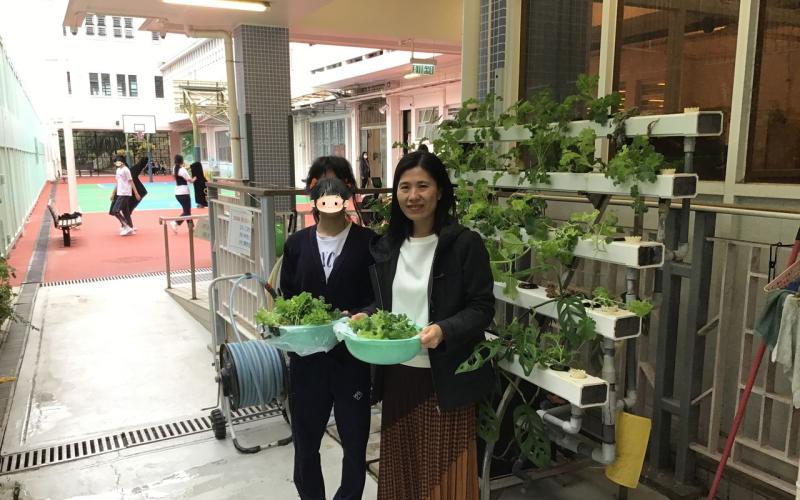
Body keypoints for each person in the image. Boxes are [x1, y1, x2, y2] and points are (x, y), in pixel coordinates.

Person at [358, 151, 495, 500]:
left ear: (440, 191)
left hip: (444, 377)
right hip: (398, 374)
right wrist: (367, 315)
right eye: (405, 187)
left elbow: (482, 308)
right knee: (401, 469)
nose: (413, 196)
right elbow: (387, 305)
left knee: (442, 474)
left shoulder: (464, 244)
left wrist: (444, 330)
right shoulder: (390, 246)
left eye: (423, 186)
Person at [279, 156, 375, 500]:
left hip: (352, 360)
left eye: (335, 185)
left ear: (349, 191)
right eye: (320, 185)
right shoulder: (296, 244)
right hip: (307, 361)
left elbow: (380, 298)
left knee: (355, 444)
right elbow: (287, 299)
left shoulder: (369, 242)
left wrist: (363, 314)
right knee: (305, 445)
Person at [109, 155, 140, 236]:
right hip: (120, 193)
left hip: (125, 193)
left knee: (115, 211)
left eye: (117, 162)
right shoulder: (118, 170)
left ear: (122, 162)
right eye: (115, 162)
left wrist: (136, 193)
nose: (116, 163)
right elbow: (117, 182)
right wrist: (113, 193)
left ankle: (126, 226)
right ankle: (130, 226)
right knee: (125, 211)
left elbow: (131, 181)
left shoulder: (126, 170)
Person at [169, 155, 195, 233]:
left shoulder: (175, 168)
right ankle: (175, 222)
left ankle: (191, 228)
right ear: (182, 161)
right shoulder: (183, 170)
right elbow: (190, 181)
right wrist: (196, 177)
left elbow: (180, 174)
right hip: (184, 193)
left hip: (178, 193)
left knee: (187, 211)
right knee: (187, 212)